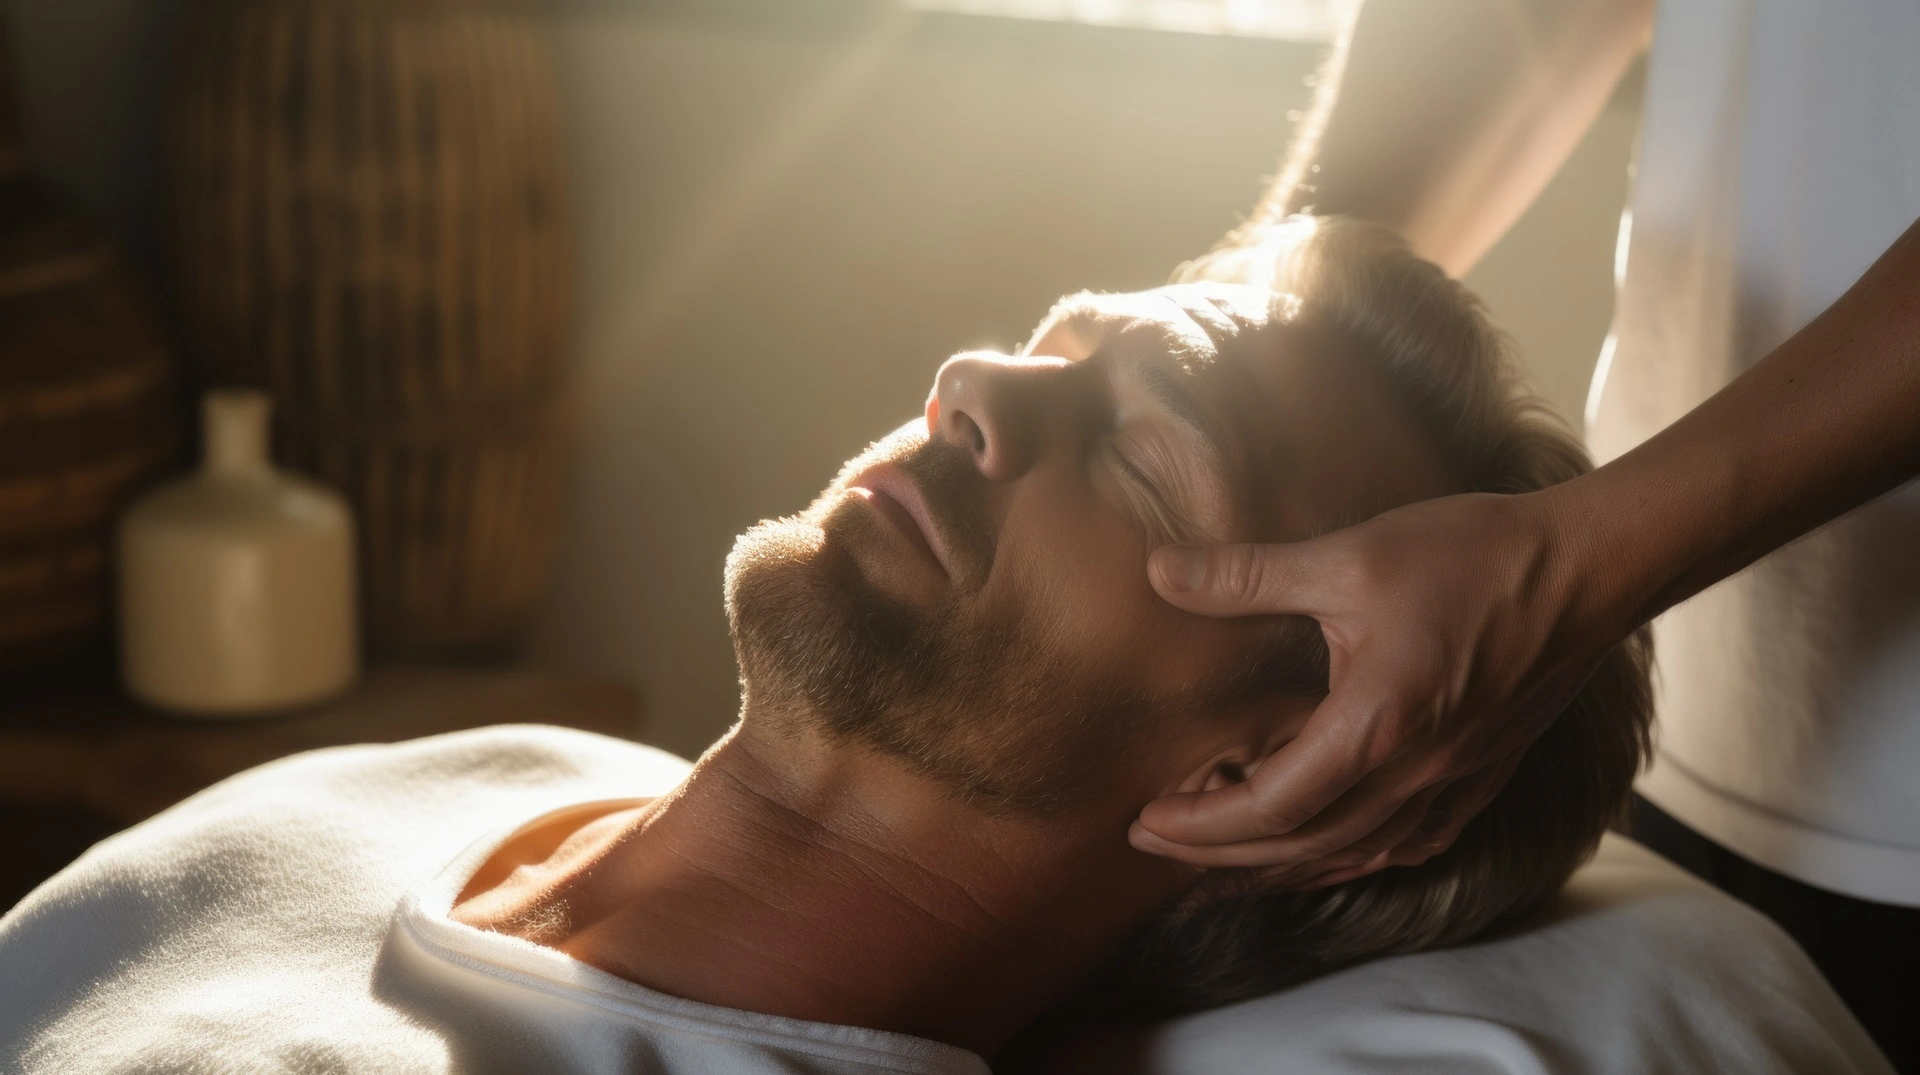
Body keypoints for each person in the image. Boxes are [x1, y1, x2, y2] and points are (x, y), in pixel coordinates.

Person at [13, 219, 1874, 1075]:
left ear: (1255, 769)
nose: (979, 387)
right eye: (1051, 343)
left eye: (1149, 455)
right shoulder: (419, 789)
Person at [1122, 0, 1920, 1066]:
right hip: (1715, 724)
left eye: (1134, 464)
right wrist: (1236, 338)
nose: (964, 381)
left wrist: (1570, 566)